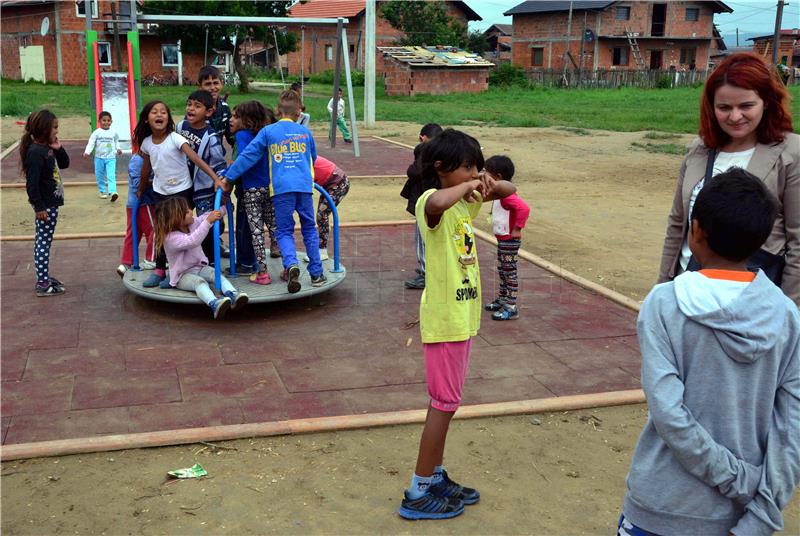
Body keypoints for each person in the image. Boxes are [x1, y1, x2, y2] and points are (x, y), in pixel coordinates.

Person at [619, 168, 800, 536]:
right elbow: (791, 428)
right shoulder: (786, 315)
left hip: (660, 505)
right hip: (741, 514)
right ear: (763, 239)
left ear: (695, 230)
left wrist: (736, 478)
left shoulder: (664, 303)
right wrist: (761, 511)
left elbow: (669, 414)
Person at [399, 129, 516, 520]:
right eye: (466, 166)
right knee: (443, 406)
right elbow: (438, 199)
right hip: (445, 320)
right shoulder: (430, 204)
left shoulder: (463, 206)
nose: (473, 174)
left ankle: (433, 475)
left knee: (448, 405)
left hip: (461, 319)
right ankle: (418, 489)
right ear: (440, 168)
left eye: (476, 166)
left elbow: (509, 190)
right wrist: (467, 182)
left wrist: (486, 180)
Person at [658, 52, 799, 306]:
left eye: (746, 106)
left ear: (766, 102)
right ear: (712, 107)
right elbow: (678, 224)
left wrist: (788, 311)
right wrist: (662, 290)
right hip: (689, 292)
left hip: (750, 304)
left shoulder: (791, 154)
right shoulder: (699, 149)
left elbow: (798, 241)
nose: (735, 117)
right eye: (724, 107)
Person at [132, 100, 224, 288]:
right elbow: (146, 168)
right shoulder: (147, 143)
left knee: (183, 230)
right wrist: (141, 188)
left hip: (181, 192)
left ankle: (181, 270)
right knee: (162, 232)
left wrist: (215, 178)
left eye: (163, 112)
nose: (159, 115)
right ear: (147, 119)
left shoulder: (175, 138)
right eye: (154, 112)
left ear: (169, 118)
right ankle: (160, 269)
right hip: (161, 193)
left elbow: (196, 159)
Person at [154, 197, 248, 319]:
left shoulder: (192, 223)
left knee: (216, 274)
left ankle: (233, 294)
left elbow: (206, 217)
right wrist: (208, 222)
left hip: (199, 267)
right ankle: (214, 303)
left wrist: (224, 208)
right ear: (177, 218)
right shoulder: (171, 238)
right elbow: (192, 241)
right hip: (182, 276)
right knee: (200, 283)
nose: (190, 210)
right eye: (187, 211)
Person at [198, 64, 250, 267]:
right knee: (202, 207)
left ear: (221, 83)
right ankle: (201, 245)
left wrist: (238, 154)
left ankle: (216, 242)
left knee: (220, 203)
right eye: (207, 83)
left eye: (215, 83)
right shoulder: (196, 104)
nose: (212, 87)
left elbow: (231, 136)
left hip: (217, 161)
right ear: (200, 85)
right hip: (199, 163)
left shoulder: (225, 108)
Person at [230, 100, 278, 285]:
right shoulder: (265, 134)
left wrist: (228, 176)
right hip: (269, 187)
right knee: (274, 228)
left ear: (247, 120)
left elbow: (245, 159)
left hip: (251, 189)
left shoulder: (243, 135)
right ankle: (289, 267)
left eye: (237, 116)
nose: (232, 120)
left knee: (256, 232)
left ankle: (262, 274)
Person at [21, 109, 68, 297]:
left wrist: (58, 148)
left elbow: (64, 163)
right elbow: (31, 184)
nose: (57, 131)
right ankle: (42, 282)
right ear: (43, 129)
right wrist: (39, 207)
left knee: (45, 242)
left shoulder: (47, 148)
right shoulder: (35, 152)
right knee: (43, 243)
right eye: (54, 128)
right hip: (45, 206)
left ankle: (44, 276)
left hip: (51, 204)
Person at [176, 90, 227, 261]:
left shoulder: (211, 137)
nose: (191, 109)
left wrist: (219, 180)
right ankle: (185, 258)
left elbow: (219, 162)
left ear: (209, 112)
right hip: (183, 185)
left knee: (207, 224)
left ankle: (210, 260)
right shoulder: (180, 127)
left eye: (197, 106)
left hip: (203, 188)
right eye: (189, 104)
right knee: (181, 220)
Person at [483, 155, 530, 321]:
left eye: (486, 173)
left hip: (509, 240)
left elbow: (524, 208)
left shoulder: (507, 196)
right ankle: (503, 299)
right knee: (503, 270)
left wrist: (517, 228)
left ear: (497, 177)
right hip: (503, 240)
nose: (483, 175)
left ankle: (511, 306)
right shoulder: (498, 194)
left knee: (509, 272)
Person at [402, 123, 443, 290]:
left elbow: (413, 172)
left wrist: (420, 150)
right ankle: (430, 270)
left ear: (423, 137)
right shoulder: (442, 154)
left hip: (424, 202)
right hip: (433, 201)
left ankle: (427, 273)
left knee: (423, 238)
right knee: (430, 238)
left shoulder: (426, 154)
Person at [116, 153, 156, 277]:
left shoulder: (143, 158)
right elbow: (138, 183)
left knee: (133, 233)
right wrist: (159, 181)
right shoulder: (138, 160)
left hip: (134, 203)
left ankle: (126, 263)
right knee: (155, 230)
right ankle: (151, 259)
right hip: (143, 203)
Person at [303, 155, 349, 262]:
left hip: (339, 182)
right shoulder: (302, 157)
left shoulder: (303, 160)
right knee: (321, 215)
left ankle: (322, 251)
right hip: (329, 184)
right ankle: (321, 247)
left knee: (321, 215)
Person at [83, 110, 121, 201]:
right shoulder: (96, 132)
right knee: (99, 175)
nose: (106, 122)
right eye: (104, 120)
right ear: (99, 121)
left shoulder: (114, 132)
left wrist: (118, 149)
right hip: (99, 158)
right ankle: (102, 191)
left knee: (111, 175)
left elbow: (116, 141)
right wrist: (87, 152)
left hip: (111, 158)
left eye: (108, 120)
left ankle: (113, 191)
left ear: (111, 121)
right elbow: (91, 143)